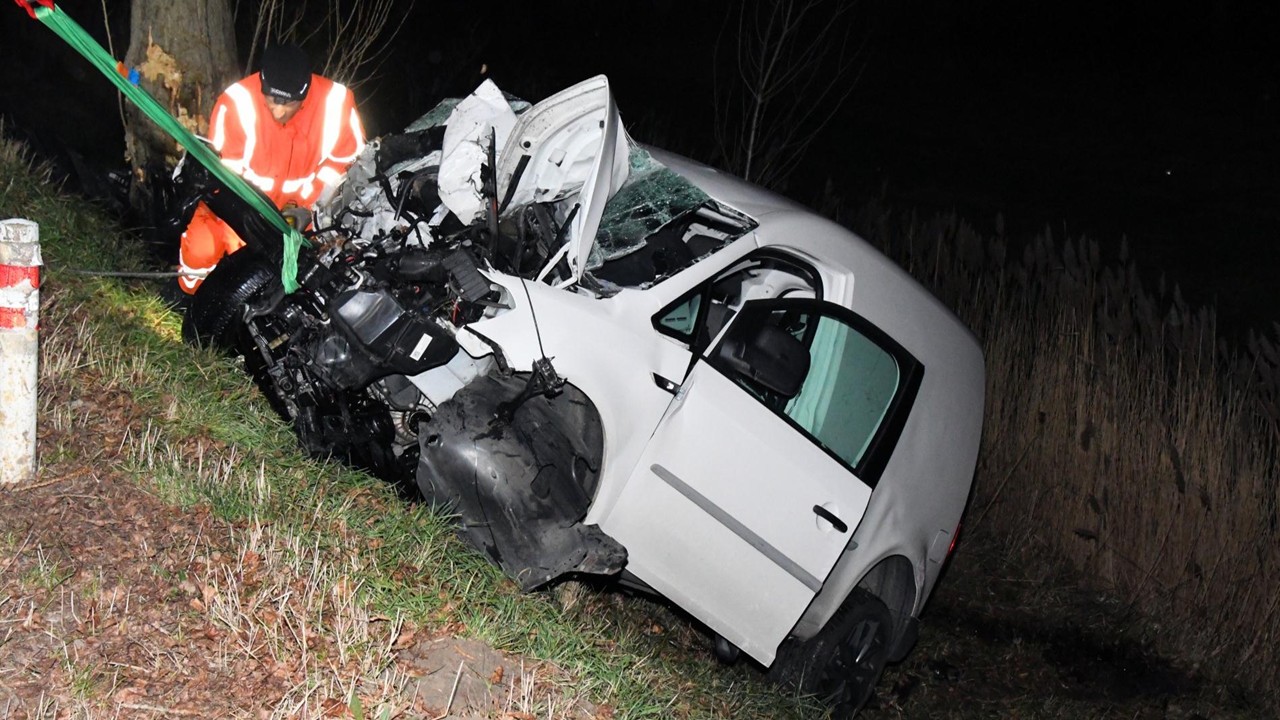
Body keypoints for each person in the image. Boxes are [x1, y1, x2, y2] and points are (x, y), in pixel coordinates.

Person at [178, 44, 366, 294]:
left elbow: (347, 163)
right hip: (241, 209)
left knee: (306, 277)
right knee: (204, 249)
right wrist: (248, 220)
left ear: (305, 94)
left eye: (287, 103)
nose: (278, 110)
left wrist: (308, 208)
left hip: (306, 217)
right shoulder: (237, 103)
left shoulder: (336, 104)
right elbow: (225, 175)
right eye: (271, 99)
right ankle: (187, 296)